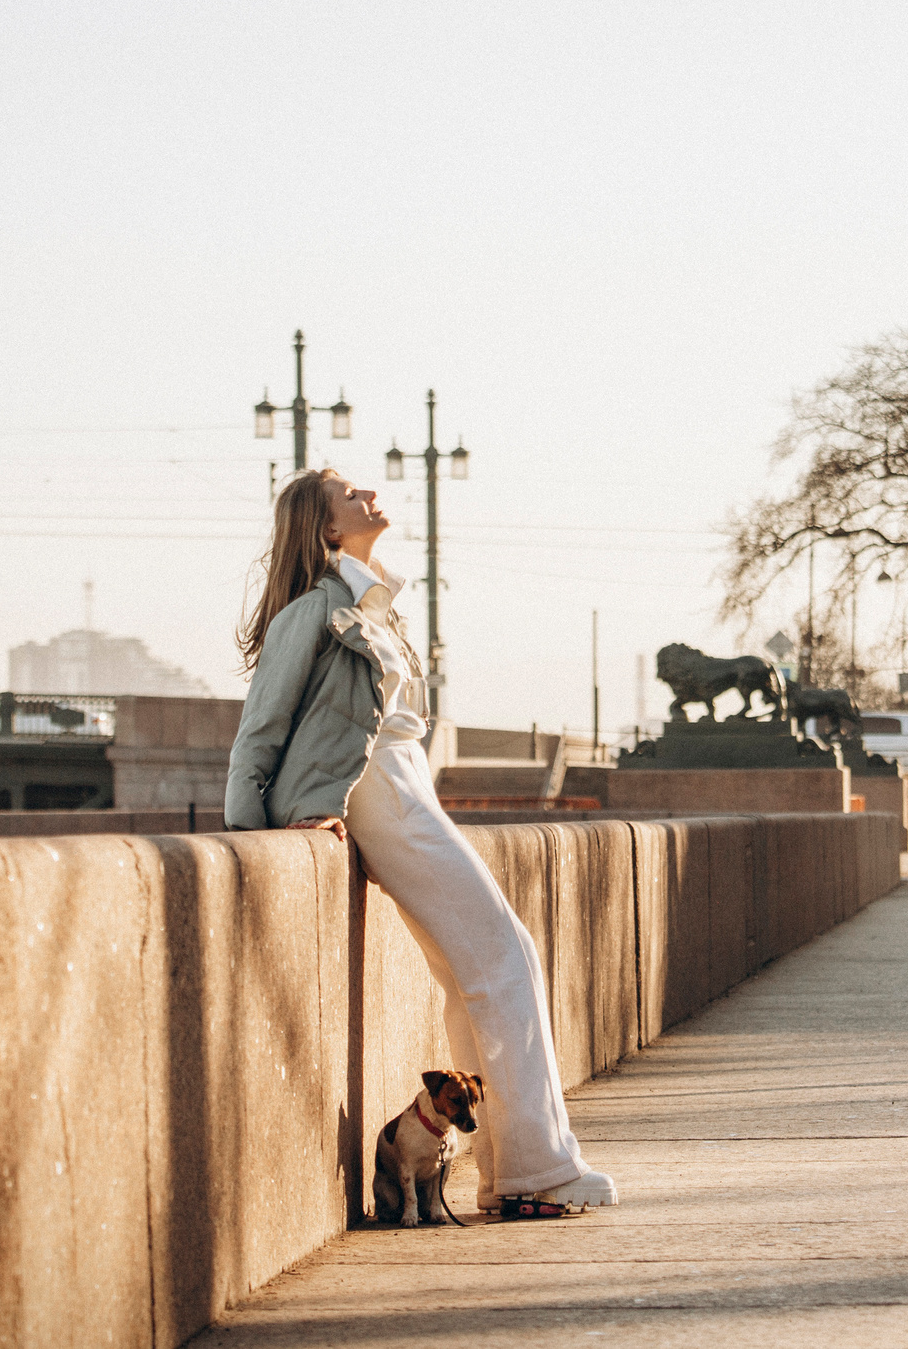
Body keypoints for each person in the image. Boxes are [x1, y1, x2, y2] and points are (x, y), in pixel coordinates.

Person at [224, 467, 618, 1217]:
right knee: (505, 955)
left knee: (475, 968)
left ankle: (514, 1171)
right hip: (376, 791)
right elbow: (259, 732)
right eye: (349, 493)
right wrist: (250, 841)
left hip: (406, 786)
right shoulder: (312, 611)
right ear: (326, 529)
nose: (370, 491)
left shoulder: (373, 605)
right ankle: (534, 1170)